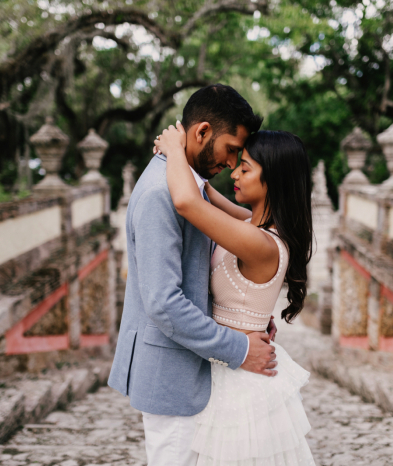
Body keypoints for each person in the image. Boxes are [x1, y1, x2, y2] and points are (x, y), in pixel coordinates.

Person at [108, 84, 279, 466]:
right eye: (232, 149)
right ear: (202, 132)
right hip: (172, 375)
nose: (233, 164)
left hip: (193, 371)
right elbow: (164, 304)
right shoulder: (160, 194)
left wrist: (243, 316)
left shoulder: (188, 186)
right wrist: (241, 349)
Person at [154, 123, 316, 465]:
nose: (235, 174)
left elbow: (186, 202)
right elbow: (209, 196)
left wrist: (172, 149)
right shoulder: (252, 226)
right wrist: (194, 165)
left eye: (246, 168)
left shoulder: (260, 243)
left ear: (273, 179)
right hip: (229, 363)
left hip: (242, 381)